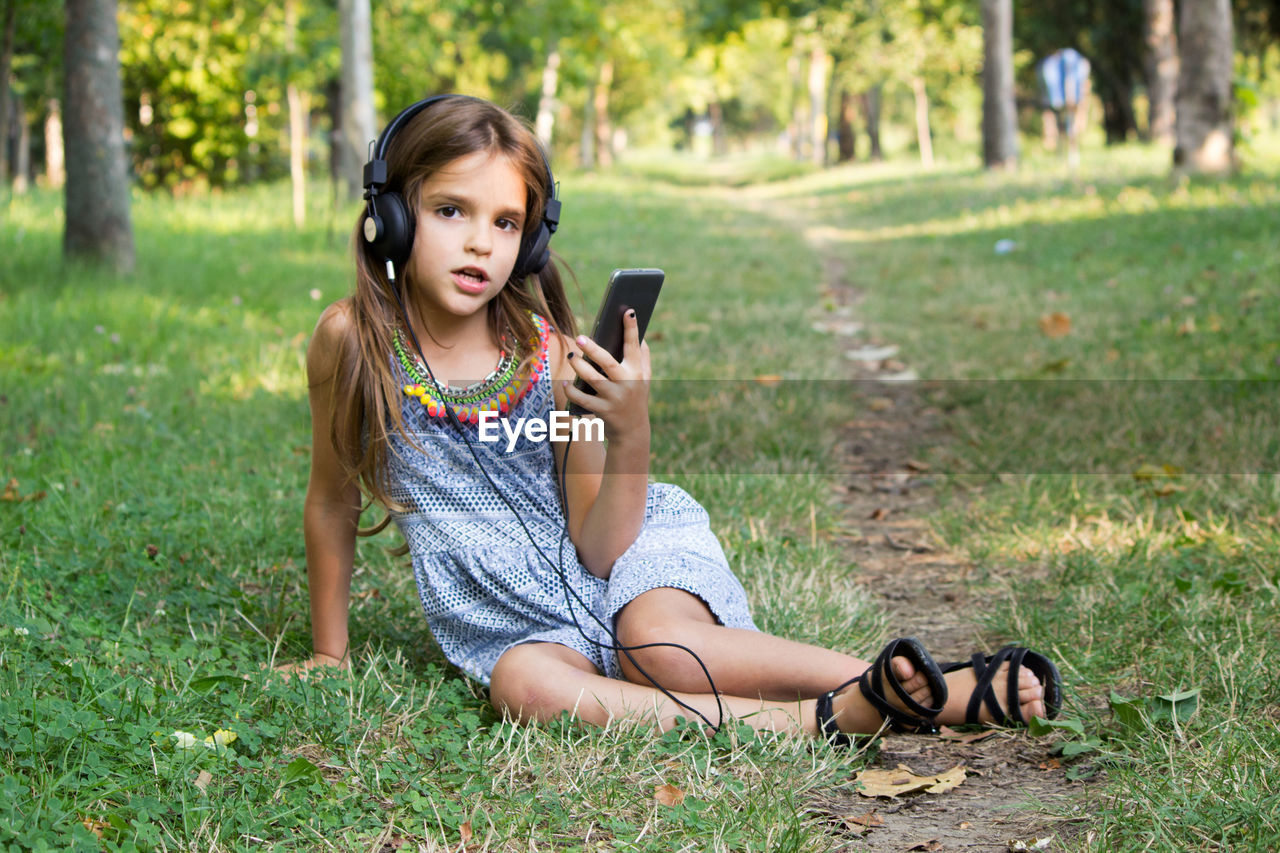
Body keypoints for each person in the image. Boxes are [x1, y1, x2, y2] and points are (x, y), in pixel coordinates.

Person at [282, 94, 1063, 743]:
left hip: (624, 559)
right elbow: (331, 499)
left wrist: (630, 426)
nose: (480, 243)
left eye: (506, 223)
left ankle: (925, 686)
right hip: (517, 624)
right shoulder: (349, 344)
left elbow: (598, 547)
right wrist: (329, 652)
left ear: (529, 243)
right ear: (391, 212)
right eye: (452, 210)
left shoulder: (552, 361)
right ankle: (819, 721)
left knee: (663, 650)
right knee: (524, 685)